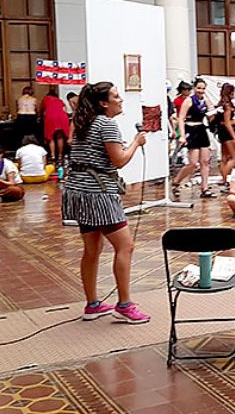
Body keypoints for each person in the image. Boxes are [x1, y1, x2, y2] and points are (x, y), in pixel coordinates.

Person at [63, 81, 150, 324]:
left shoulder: (82, 122)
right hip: (98, 193)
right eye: (115, 96)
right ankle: (124, 305)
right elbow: (119, 160)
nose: (120, 99)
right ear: (103, 103)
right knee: (126, 246)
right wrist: (136, 142)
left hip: (78, 190)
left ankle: (92, 304)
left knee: (92, 249)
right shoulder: (106, 124)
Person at [172, 79, 215, 198]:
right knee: (193, 163)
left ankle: (205, 188)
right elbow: (181, 118)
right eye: (199, 88)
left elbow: (211, 113)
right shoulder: (189, 101)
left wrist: (213, 114)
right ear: (194, 88)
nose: (201, 91)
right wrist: (182, 135)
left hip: (202, 129)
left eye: (203, 88)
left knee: (205, 161)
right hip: (191, 130)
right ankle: (176, 181)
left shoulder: (205, 101)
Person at [212, 83, 235, 189]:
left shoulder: (221, 104)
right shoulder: (227, 105)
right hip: (227, 134)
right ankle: (225, 179)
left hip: (222, 133)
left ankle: (224, 179)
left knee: (224, 157)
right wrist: (234, 137)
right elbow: (227, 122)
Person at [41, 87, 70, 163]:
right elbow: (65, 110)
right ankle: (60, 156)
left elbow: (42, 110)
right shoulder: (60, 101)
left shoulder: (46, 99)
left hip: (50, 118)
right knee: (59, 137)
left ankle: (53, 155)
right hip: (62, 118)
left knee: (51, 137)